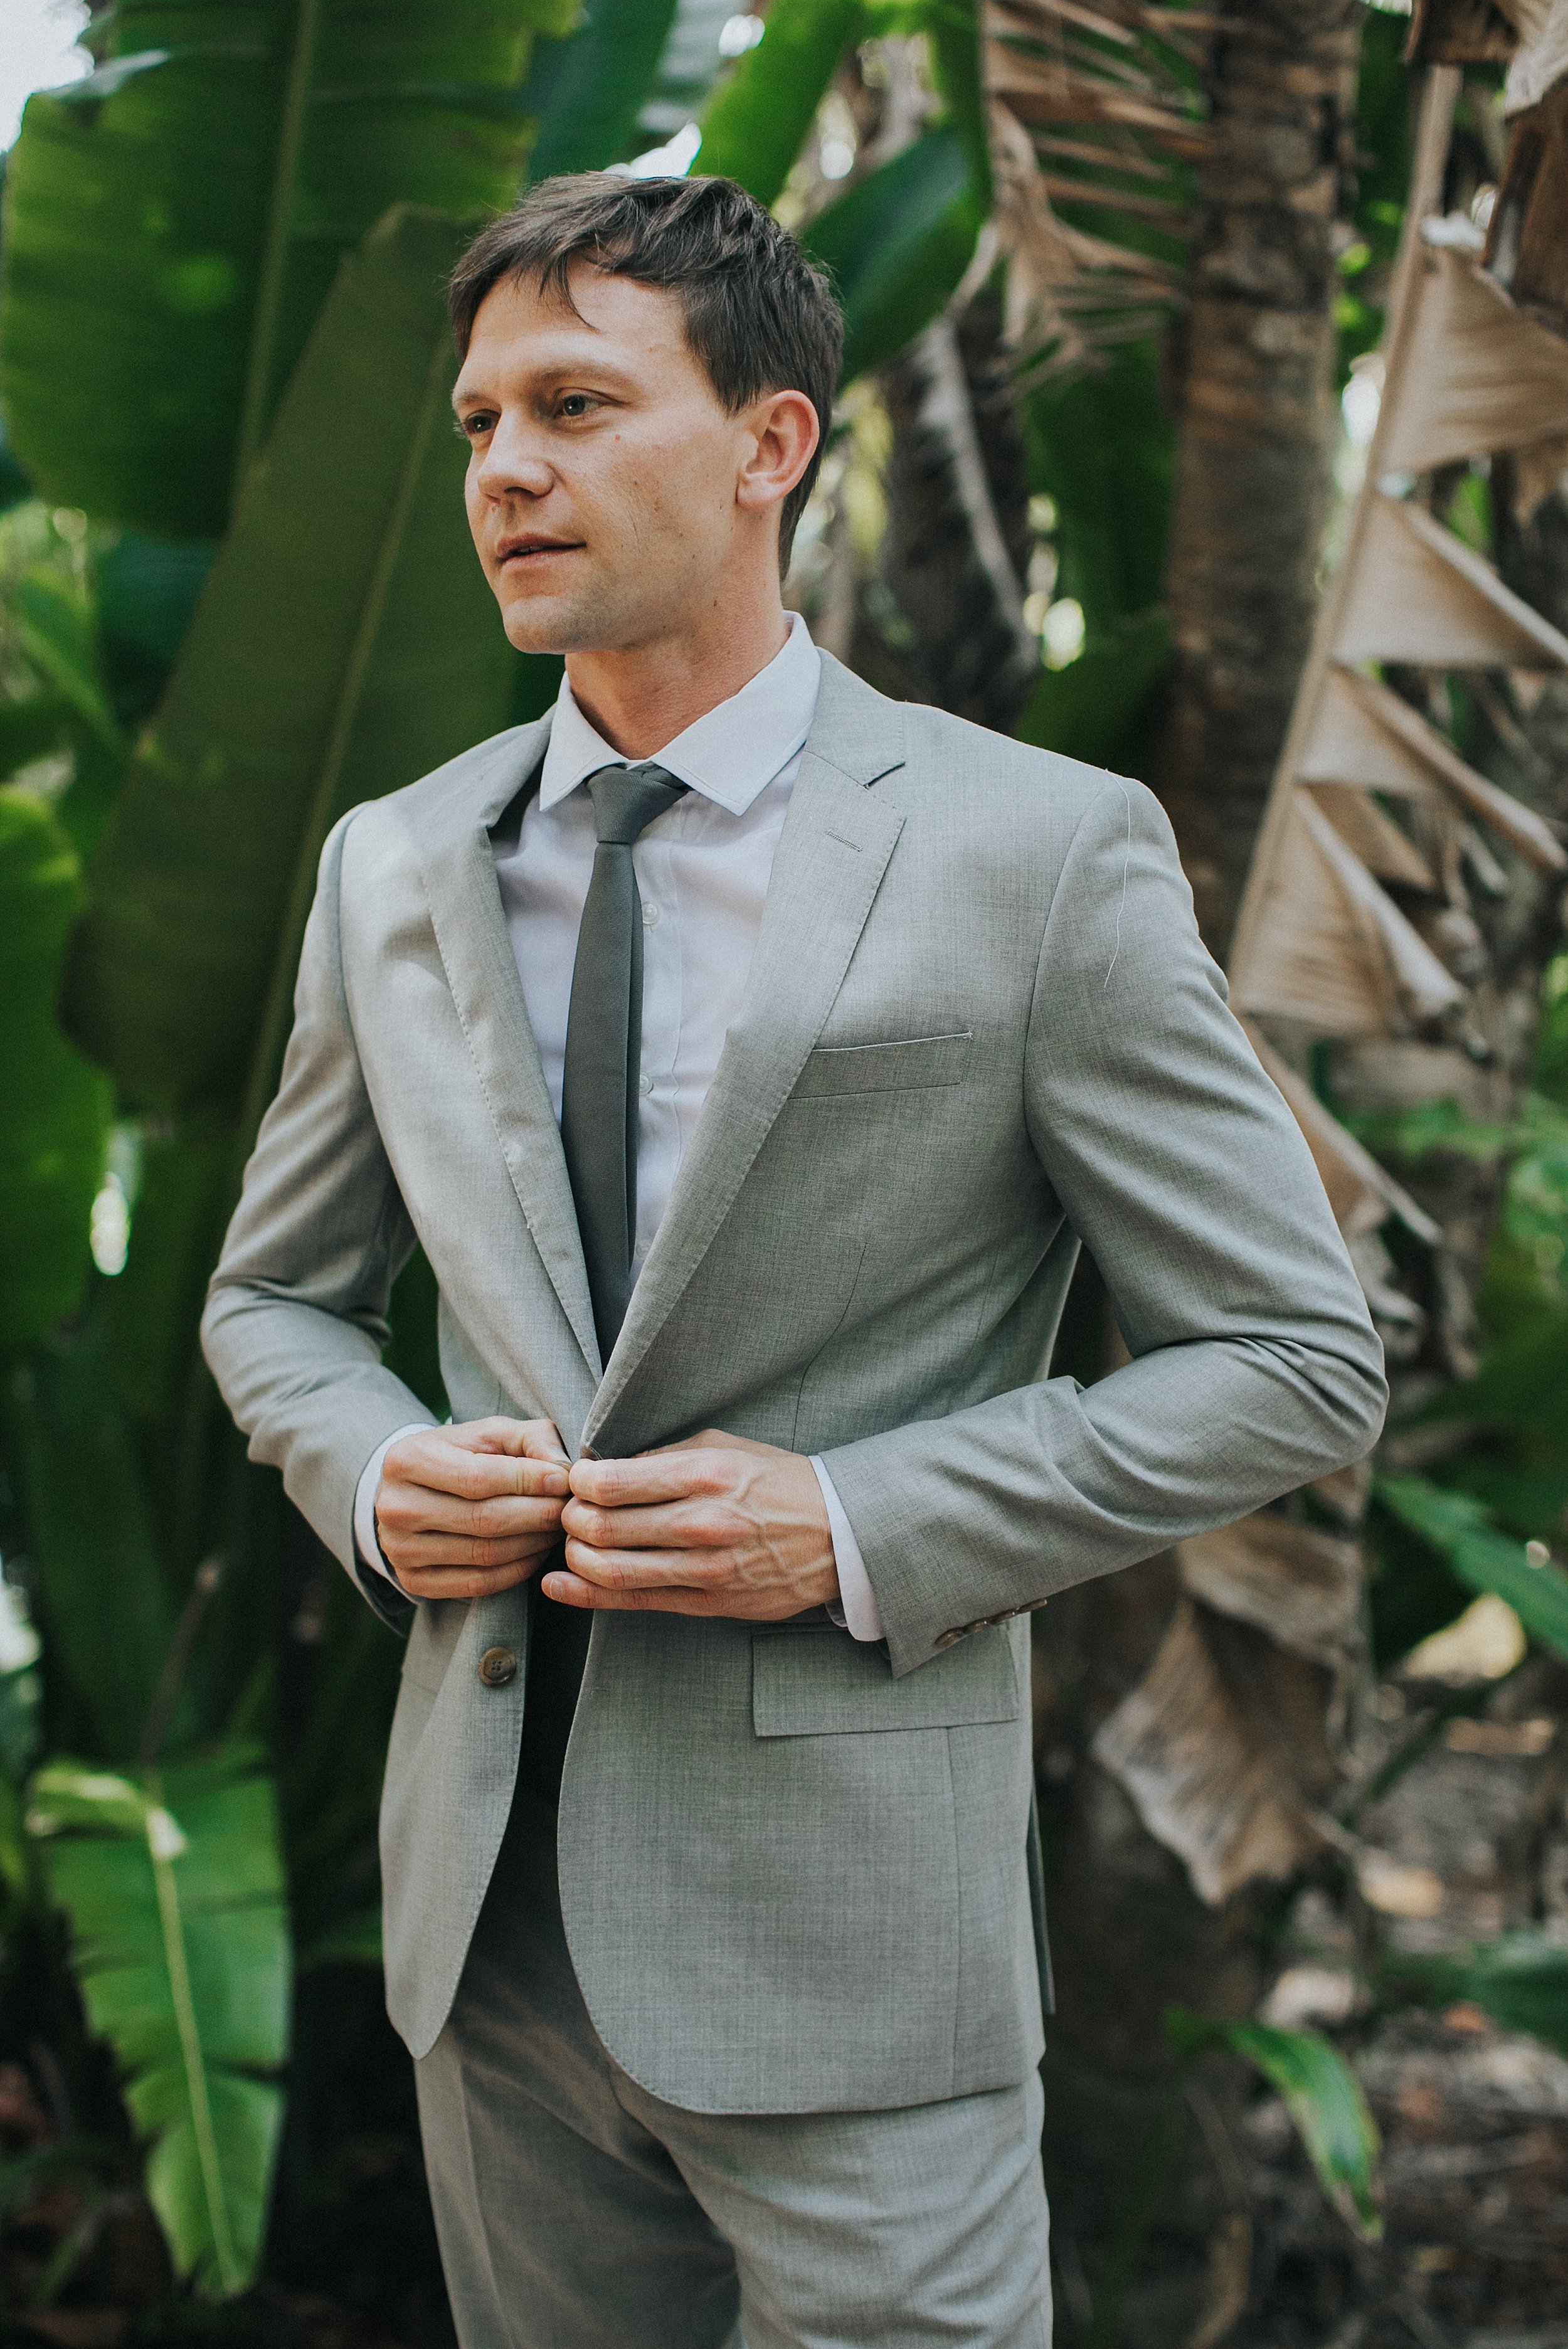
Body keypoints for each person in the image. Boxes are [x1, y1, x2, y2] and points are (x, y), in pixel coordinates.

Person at [202, 172, 1387, 2349]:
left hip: (853, 1946)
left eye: (572, 401)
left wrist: (849, 1520)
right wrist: (374, 1474)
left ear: (771, 443)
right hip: (485, 1927)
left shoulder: (1036, 854)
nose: (506, 470)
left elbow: (1294, 1357)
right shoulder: (392, 862)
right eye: (475, 424)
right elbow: (273, 1296)